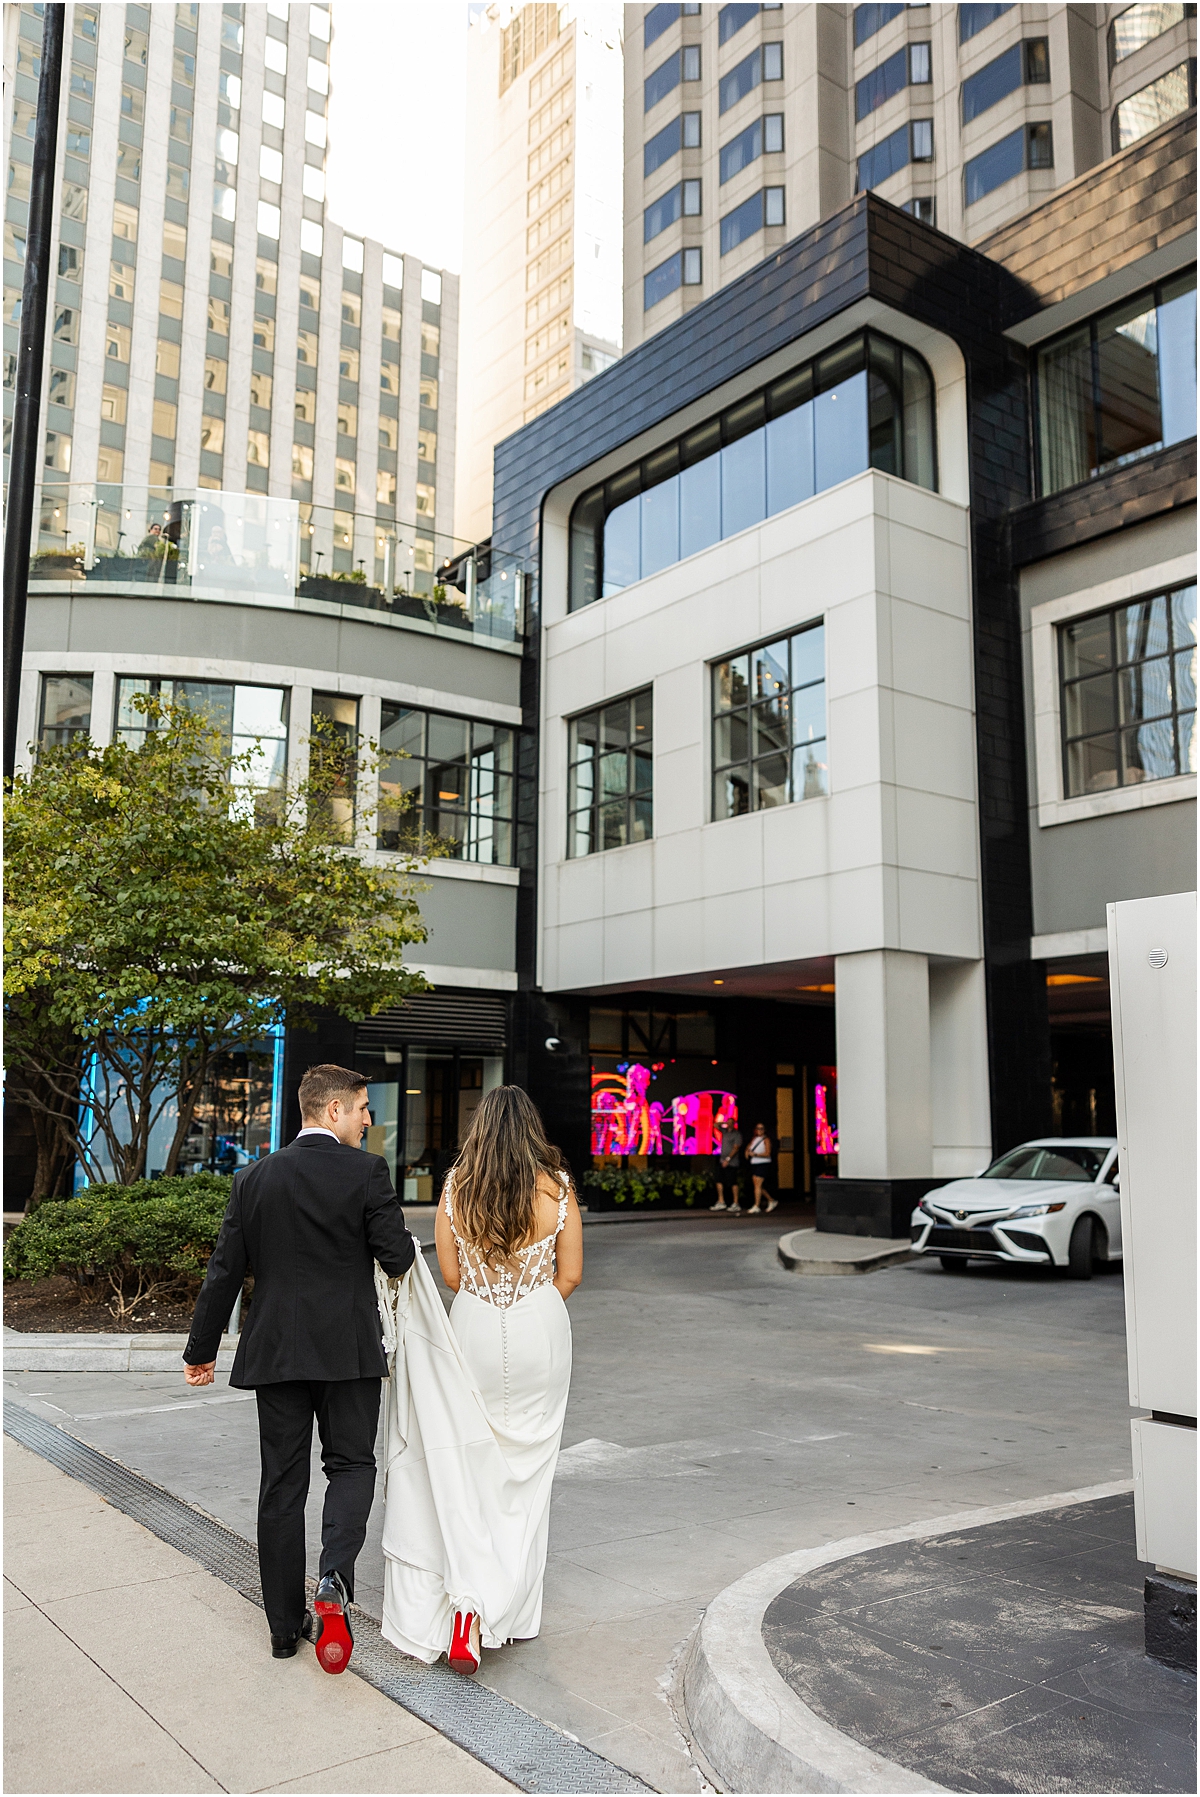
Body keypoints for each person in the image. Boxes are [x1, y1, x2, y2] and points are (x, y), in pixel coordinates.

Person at [182, 1065, 415, 1672]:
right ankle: (334, 1579)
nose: (370, 1119)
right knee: (352, 1465)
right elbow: (396, 1257)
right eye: (363, 1108)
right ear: (333, 1110)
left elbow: (225, 1269)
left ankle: (284, 1630)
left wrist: (200, 1349)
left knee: (281, 1486)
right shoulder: (366, 1173)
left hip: (278, 1352)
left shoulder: (254, 1177)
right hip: (348, 1351)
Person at [377, 1085, 582, 1675]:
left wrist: (491, 1301)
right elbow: (570, 1274)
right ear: (531, 1128)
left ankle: (464, 1608)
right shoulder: (558, 1189)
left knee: (467, 1468)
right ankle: (505, 1611)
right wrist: (530, 1304)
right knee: (528, 1475)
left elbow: (448, 1272)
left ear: (480, 1130)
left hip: (471, 1328)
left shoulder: (456, 1189)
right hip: (540, 1329)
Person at [711, 1118, 743, 1212]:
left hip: (732, 1162)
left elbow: (736, 1148)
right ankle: (721, 1202)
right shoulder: (725, 1132)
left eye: (731, 1123)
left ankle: (736, 1203)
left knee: (732, 1182)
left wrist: (728, 1159)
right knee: (718, 1180)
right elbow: (715, 1125)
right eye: (728, 1123)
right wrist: (724, 1123)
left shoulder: (737, 1134)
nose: (729, 1124)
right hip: (722, 1161)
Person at [746, 1122, 777, 1214]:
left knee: (758, 1184)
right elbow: (749, 1148)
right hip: (755, 1163)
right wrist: (747, 1152)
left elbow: (767, 1153)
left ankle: (756, 1205)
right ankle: (771, 1200)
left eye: (761, 1128)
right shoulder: (754, 1139)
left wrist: (755, 1154)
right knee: (757, 1184)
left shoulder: (766, 1140)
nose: (759, 1130)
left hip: (763, 1163)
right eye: (758, 1128)